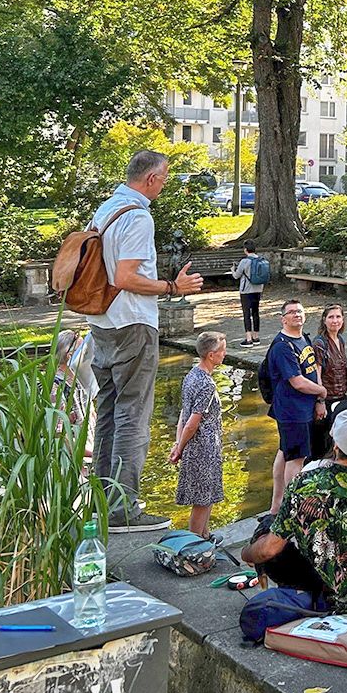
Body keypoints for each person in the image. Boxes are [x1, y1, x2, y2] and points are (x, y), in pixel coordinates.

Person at [85, 149, 203, 532]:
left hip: (101, 323)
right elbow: (125, 277)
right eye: (165, 178)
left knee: (107, 412)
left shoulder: (106, 209)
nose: (165, 185)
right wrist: (173, 286)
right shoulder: (137, 217)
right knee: (133, 415)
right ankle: (124, 511)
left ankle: (101, 501)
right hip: (132, 324)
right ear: (151, 179)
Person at [243, 408, 347, 620]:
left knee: (271, 527)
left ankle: (298, 597)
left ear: (335, 444)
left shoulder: (304, 484)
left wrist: (247, 553)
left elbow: (268, 549)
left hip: (319, 592)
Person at [267, 300, 326, 514]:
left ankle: (277, 506)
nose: (296, 315)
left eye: (299, 311)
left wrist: (319, 400)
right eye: (291, 312)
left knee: (285, 452)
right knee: (296, 458)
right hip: (292, 411)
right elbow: (298, 381)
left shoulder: (304, 339)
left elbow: (312, 370)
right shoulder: (283, 346)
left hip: (303, 408)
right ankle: (293, 507)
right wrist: (322, 392)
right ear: (283, 318)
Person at [167, 331, 227, 538]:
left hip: (196, 445)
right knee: (202, 500)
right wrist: (180, 447)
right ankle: (194, 544)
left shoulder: (192, 375)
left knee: (206, 496)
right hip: (204, 447)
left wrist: (178, 444)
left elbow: (183, 414)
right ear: (211, 355)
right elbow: (192, 422)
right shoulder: (207, 384)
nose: (224, 354)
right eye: (222, 350)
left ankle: (205, 537)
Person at [309, 303, 347, 459]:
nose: (335, 320)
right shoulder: (320, 343)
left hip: (340, 399)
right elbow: (316, 375)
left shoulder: (340, 340)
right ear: (324, 320)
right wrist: (319, 400)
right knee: (321, 448)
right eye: (331, 317)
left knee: (337, 445)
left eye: (338, 316)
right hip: (326, 401)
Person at [230, 243, 265, 347]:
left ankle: (248, 339)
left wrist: (232, 270)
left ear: (245, 250)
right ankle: (256, 337)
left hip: (246, 291)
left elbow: (237, 276)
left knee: (246, 314)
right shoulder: (261, 260)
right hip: (258, 289)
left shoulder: (244, 261)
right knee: (255, 312)